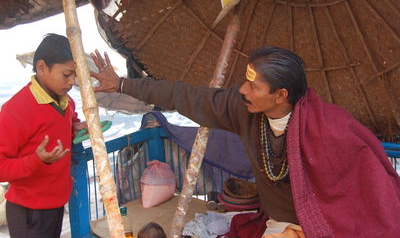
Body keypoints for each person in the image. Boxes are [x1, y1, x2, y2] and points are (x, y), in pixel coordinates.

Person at [90, 46, 400, 237]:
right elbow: (184, 96)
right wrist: (120, 83)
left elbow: (371, 195)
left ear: (280, 95)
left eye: (254, 85)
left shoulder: (334, 128)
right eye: (245, 81)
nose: (242, 90)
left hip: (332, 227)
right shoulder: (243, 110)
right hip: (280, 225)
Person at [0, 34, 86, 238]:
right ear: (41, 67)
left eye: (75, 75)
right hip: (28, 211)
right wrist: (37, 160)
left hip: (55, 203)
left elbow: (68, 119)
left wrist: (76, 127)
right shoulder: (15, 111)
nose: (72, 82)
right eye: (66, 75)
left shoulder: (66, 101)